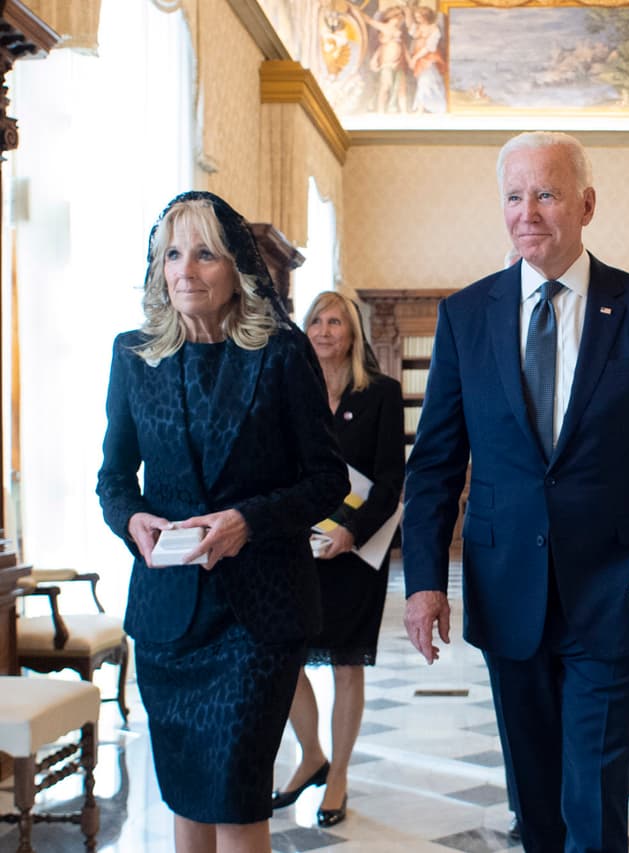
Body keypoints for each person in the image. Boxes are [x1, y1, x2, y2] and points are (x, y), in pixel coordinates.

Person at [402, 131, 629, 852]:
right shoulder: (466, 315)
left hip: (612, 589)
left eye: (545, 193)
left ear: (586, 204)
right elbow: (436, 464)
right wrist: (424, 581)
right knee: (534, 797)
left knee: (594, 794)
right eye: (514, 196)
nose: (527, 212)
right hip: (506, 583)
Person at [97, 191, 348, 853]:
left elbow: (328, 480)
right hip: (168, 619)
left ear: (235, 265)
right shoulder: (133, 357)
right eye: (172, 254)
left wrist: (246, 520)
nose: (185, 269)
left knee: (236, 797)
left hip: (257, 619)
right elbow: (114, 479)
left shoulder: (281, 354)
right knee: (188, 799)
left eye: (205, 253)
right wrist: (134, 522)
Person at [272, 291, 405, 829]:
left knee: (347, 665)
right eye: (316, 321)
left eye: (335, 322)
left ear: (353, 335)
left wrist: (351, 532)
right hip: (294, 548)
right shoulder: (286, 391)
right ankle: (311, 754)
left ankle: (341, 774)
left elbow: (392, 480)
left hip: (354, 552)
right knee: (284, 658)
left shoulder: (381, 394)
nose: (324, 330)